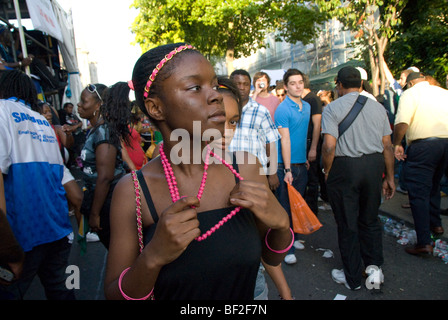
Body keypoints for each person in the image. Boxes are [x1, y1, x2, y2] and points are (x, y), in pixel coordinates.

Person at [104, 43, 291, 300]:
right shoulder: (133, 191)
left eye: (214, 85)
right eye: (195, 87)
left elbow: (270, 256)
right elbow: (114, 295)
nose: (215, 96)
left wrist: (281, 225)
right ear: (156, 108)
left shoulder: (245, 168)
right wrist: (153, 257)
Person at [0, 69, 75, 299]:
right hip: (56, 230)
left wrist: (8, 250)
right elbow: (61, 176)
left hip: (21, 238)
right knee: (61, 291)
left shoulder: (2, 111)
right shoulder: (43, 123)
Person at [321, 66, 395, 290]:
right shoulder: (378, 107)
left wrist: (327, 170)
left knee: (347, 222)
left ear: (339, 85)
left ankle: (352, 278)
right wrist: (389, 177)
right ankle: (374, 270)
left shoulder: (332, 108)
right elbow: (387, 146)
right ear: (361, 84)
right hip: (374, 166)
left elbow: (329, 146)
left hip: (345, 168)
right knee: (370, 219)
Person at [393, 71, 448, 255]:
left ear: (409, 83)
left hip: (423, 146)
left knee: (418, 193)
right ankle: (436, 224)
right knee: (434, 185)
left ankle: (424, 242)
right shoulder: (443, 92)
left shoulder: (410, 94)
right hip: (445, 144)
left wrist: (397, 143)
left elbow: (402, 123)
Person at [77, 82, 132, 249]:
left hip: (108, 201)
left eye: (84, 101)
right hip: (101, 198)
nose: (79, 105)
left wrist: (95, 213)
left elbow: (105, 177)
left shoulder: (103, 131)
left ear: (98, 105)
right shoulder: (97, 130)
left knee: (118, 250)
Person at [274, 68, 311, 265]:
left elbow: (302, 135)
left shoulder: (306, 106)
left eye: (300, 82)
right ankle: (285, 246)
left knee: (298, 204)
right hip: (284, 166)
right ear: (286, 87)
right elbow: (285, 139)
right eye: (293, 83)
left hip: (300, 163)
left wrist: (304, 157)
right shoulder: (282, 109)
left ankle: (294, 238)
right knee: (285, 207)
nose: (298, 86)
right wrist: (287, 170)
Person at [228, 69, 281, 190]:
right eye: (237, 84)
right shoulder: (221, 110)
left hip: (255, 172)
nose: (241, 88)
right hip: (227, 172)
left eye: (245, 84)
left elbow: (270, 143)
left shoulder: (261, 111)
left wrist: (272, 173)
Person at [302, 74, 323, 216]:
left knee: (312, 180)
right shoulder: (304, 100)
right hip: (305, 144)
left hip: (311, 144)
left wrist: (313, 148)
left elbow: (317, 125)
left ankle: (311, 212)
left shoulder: (312, 99)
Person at [58, 102, 85, 167]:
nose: (71, 109)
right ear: (65, 108)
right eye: (69, 107)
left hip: (79, 135)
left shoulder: (73, 115)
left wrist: (74, 127)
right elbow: (67, 128)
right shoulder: (63, 116)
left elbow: (81, 123)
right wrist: (74, 127)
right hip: (71, 136)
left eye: (72, 108)